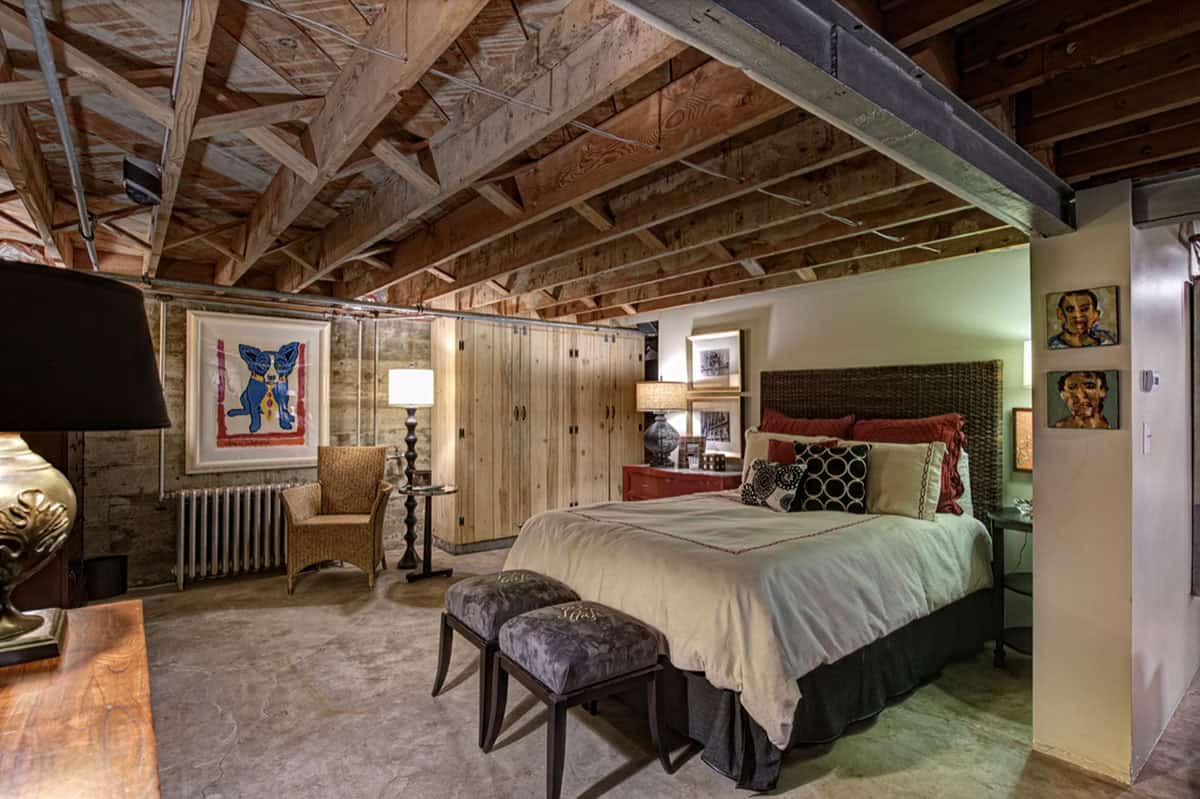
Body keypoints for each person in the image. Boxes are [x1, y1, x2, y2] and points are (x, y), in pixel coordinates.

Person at [1048, 289, 1118, 348]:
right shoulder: (1052, 345)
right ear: (1061, 314)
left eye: (1084, 309)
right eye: (1070, 309)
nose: (1077, 315)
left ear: (1095, 315)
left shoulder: (1109, 338)